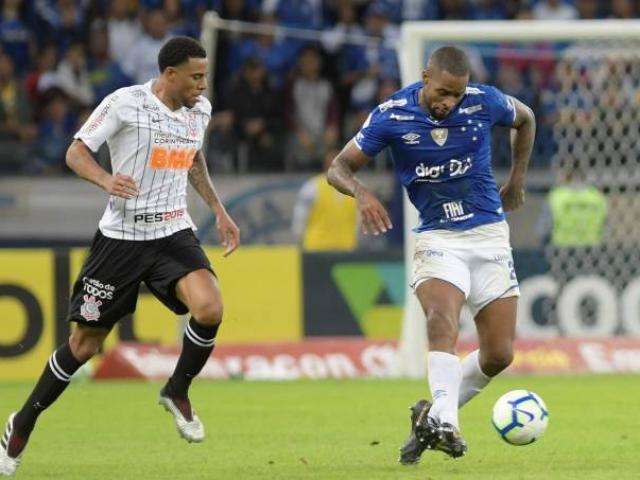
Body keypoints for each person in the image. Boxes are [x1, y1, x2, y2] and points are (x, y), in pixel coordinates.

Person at [0, 36, 240, 477]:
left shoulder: (199, 111)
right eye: (195, 76)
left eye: (205, 76)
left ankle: (177, 390)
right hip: (121, 241)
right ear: (170, 75)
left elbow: (192, 160)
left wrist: (219, 210)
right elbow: (76, 152)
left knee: (210, 308)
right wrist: (105, 180)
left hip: (173, 231)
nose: (203, 85)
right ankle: (24, 421)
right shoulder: (125, 103)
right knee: (84, 345)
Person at [326, 46, 535, 463]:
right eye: (442, 92)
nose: (449, 103)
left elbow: (525, 118)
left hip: (489, 235)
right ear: (425, 77)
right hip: (438, 237)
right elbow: (338, 168)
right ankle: (448, 427)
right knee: (443, 320)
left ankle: (433, 416)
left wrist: (516, 180)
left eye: (456, 95)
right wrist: (362, 192)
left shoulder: (483, 101)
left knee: (500, 353)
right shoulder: (392, 114)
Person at [292, 148, 358, 251]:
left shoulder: (312, 186)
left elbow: (299, 220)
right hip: (324, 248)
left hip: (329, 248)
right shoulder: (312, 187)